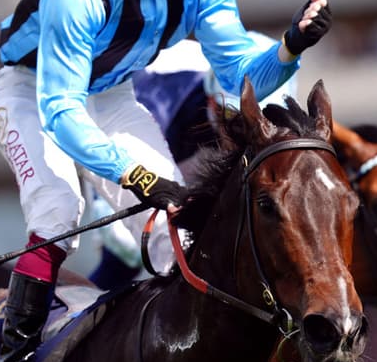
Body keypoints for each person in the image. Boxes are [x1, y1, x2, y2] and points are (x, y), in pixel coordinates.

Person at [0, 0, 333, 362]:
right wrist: (137, 175)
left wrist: (289, 46)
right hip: (34, 94)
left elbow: (242, 76)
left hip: (110, 93)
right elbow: (60, 111)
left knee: (173, 234)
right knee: (58, 215)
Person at [88, 34, 300, 290]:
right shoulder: (159, 104)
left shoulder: (229, 103)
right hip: (101, 130)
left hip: (188, 149)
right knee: (127, 252)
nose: (249, 136)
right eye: (238, 122)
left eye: (266, 122)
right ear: (212, 100)